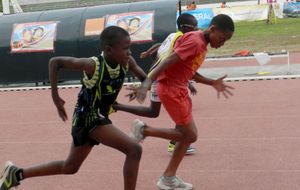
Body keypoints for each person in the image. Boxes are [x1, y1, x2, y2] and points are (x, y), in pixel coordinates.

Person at [0, 26, 149, 190]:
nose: (129, 52)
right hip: (88, 117)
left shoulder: (127, 62)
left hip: (99, 117)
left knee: (70, 167)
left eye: (130, 47)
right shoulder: (92, 65)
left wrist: (142, 87)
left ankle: (16, 174)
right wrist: (55, 97)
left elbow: (146, 79)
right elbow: (55, 62)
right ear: (109, 50)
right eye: (126, 48)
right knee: (134, 150)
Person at [129, 14, 235, 189]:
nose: (222, 43)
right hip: (171, 89)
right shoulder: (196, 41)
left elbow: (189, 70)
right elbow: (169, 59)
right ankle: (144, 130)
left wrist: (212, 82)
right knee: (190, 135)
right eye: (223, 39)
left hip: (179, 89)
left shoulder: (201, 43)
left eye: (226, 41)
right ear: (213, 29)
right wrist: (147, 81)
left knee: (184, 137)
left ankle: (169, 178)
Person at [113, 13, 198, 154]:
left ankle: (118, 106)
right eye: (194, 26)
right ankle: (171, 140)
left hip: (158, 77)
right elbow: (174, 62)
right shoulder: (182, 39)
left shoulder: (173, 36)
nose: (197, 29)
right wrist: (207, 82)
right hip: (163, 79)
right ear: (183, 27)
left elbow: (161, 46)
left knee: (154, 112)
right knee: (181, 111)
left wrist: (148, 52)